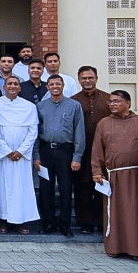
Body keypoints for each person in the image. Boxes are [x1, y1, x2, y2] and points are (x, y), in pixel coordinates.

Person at [91, 90, 138, 259]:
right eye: (110, 101)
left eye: (117, 101)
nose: (112, 104)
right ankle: (116, 248)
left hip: (137, 175)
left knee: (137, 213)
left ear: (128, 103)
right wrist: (97, 171)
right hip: (113, 177)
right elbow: (97, 150)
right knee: (115, 213)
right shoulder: (103, 123)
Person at [34, 74, 85, 237]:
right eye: (51, 84)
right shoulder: (40, 106)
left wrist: (77, 157)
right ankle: (48, 223)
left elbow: (79, 132)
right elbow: (36, 132)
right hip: (46, 151)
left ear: (63, 86)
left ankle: (65, 225)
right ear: (47, 87)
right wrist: (36, 155)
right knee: (46, 189)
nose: (55, 86)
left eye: (58, 84)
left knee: (65, 188)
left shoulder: (74, 106)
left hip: (66, 152)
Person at [0, 76, 40, 234]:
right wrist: (6, 150)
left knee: (22, 188)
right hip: (3, 156)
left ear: (20, 88)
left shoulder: (29, 107)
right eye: (9, 84)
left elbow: (33, 132)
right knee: (2, 187)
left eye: (15, 84)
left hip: (21, 156)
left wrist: (21, 151)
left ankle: (20, 221)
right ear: (4, 87)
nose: (12, 86)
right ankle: (3, 220)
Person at [70, 65, 110, 234]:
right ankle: (85, 222)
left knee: (101, 186)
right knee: (82, 188)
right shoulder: (73, 101)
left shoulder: (108, 99)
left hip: (104, 151)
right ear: (79, 80)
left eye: (90, 78)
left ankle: (102, 221)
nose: (87, 81)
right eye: (84, 78)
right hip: (81, 151)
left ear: (96, 78)